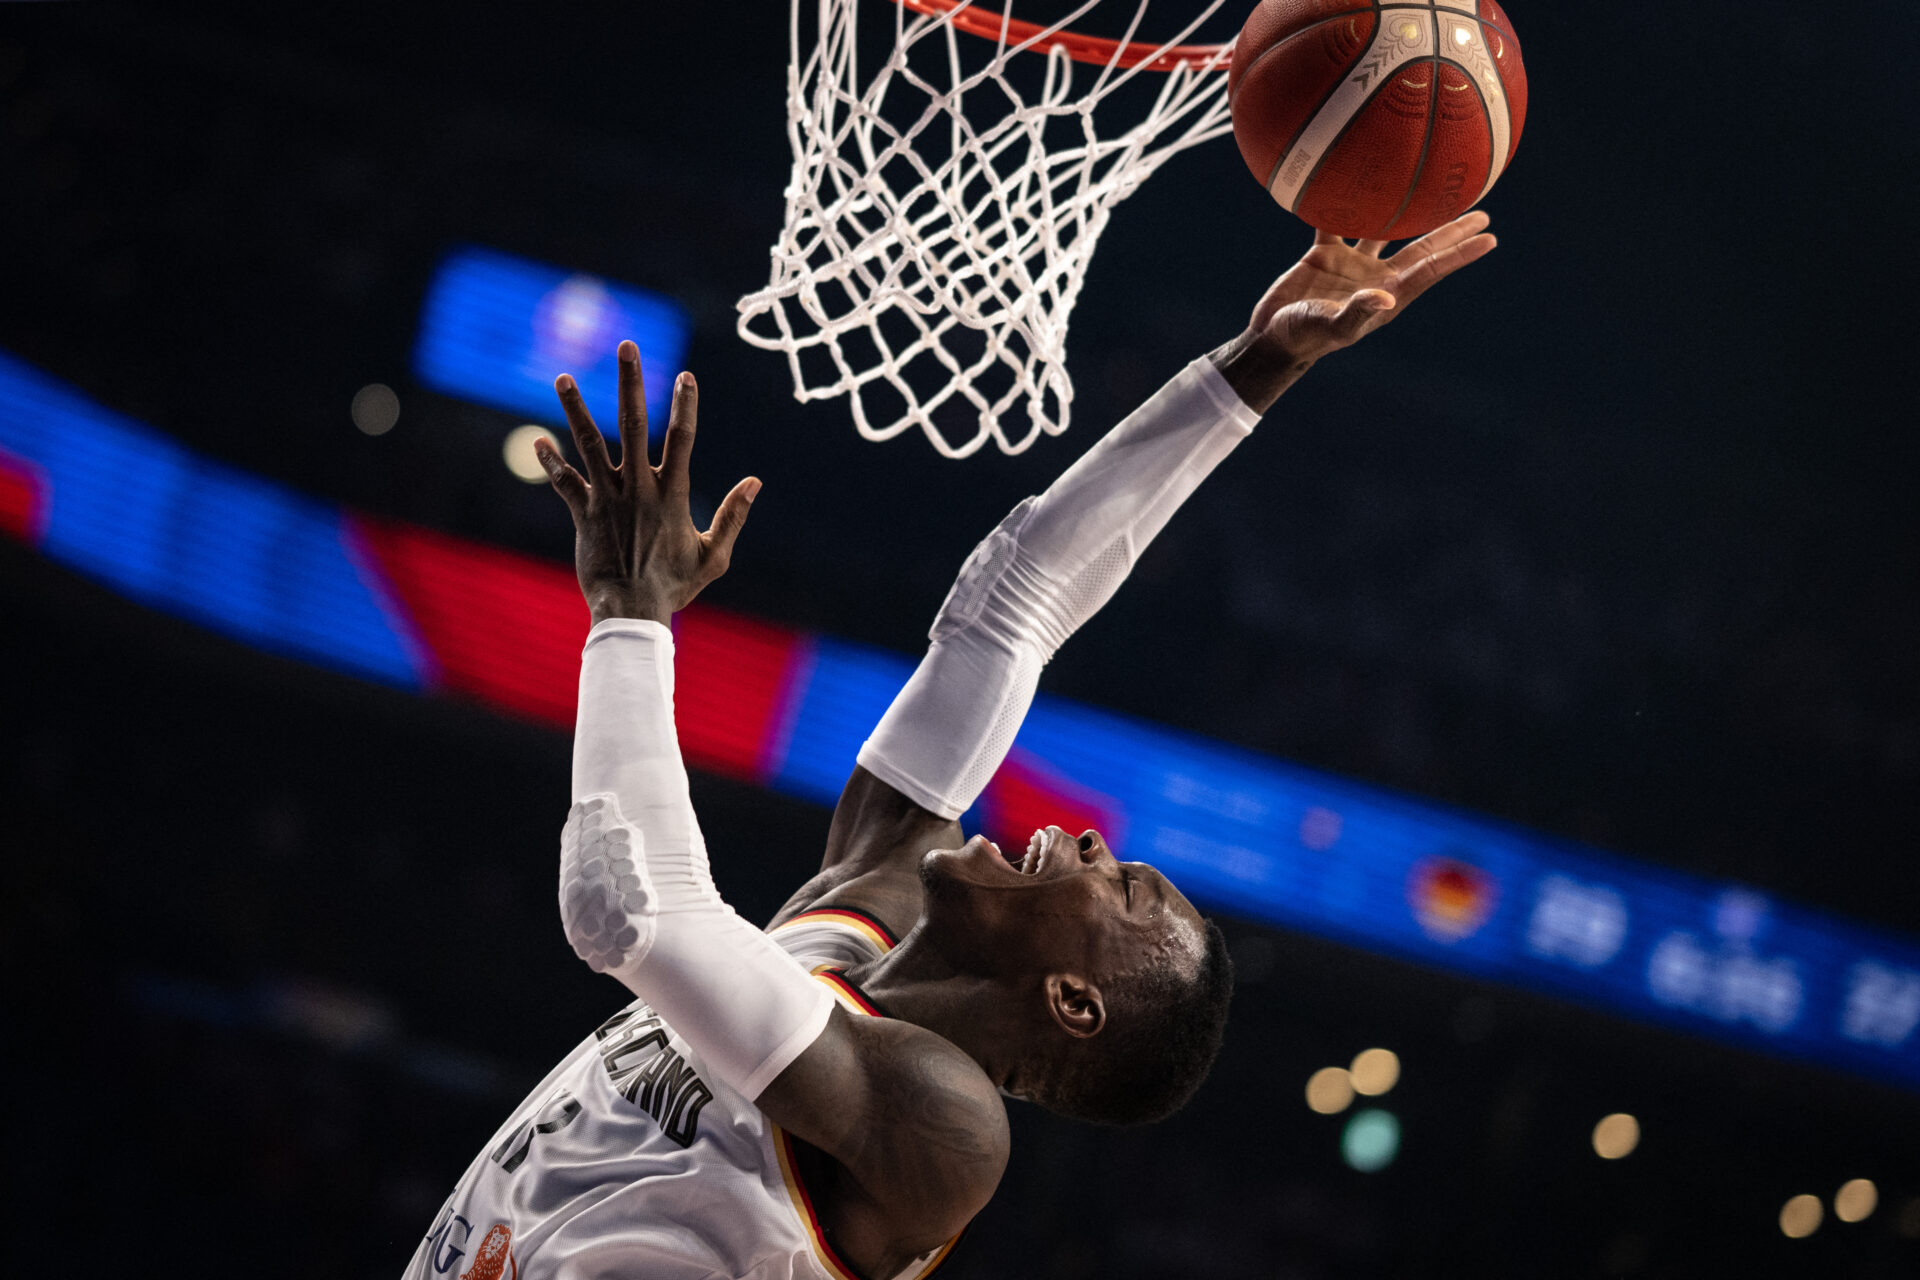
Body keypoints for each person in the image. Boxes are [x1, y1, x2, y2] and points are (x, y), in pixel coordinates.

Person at [405, 214, 1497, 1280]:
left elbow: (625, 904)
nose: (1078, 837)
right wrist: (1258, 363)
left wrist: (631, 617)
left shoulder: (946, 1128)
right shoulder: (858, 903)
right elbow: (1012, 600)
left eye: (1118, 885)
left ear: (1074, 999)